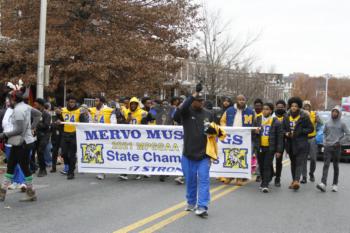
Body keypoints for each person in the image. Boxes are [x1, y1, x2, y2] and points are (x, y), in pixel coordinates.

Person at [173, 82, 225, 217]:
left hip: (204, 155)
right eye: (198, 100)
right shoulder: (185, 112)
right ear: (192, 101)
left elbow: (217, 131)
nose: (201, 102)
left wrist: (214, 130)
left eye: (202, 100)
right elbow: (176, 115)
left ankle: (202, 206)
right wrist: (193, 94)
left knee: (203, 180)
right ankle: (191, 202)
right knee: (190, 180)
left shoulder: (209, 114)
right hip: (188, 154)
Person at [0, 90, 42, 202]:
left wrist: (4, 134)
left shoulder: (18, 110)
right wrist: (32, 127)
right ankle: (3, 192)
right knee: (13, 165)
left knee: (21, 166)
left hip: (22, 142)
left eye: (9, 99)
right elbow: (38, 114)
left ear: (14, 99)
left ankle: (30, 192)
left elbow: (18, 130)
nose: (8, 102)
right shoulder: (26, 106)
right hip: (25, 142)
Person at [220, 94, 255, 185]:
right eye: (239, 100)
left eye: (243, 100)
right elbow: (222, 121)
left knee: (241, 157)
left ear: (245, 101)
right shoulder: (229, 110)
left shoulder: (250, 111)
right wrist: (226, 129)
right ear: (236, 100)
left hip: (244, 139)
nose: (241, 101)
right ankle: (229, 176)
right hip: (231, 138)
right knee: (230, 155)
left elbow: (254, 123)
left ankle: (239, 177)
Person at [282, 97, 313, 191]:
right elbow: (283, 129)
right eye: (292, 106)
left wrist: (301, 131)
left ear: (299, 107)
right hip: (290, 143)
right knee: (293, 163)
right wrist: (286, 133)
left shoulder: (304, 116)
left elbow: (310, 129)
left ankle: (296, 181)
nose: (294, 108)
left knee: (299, 162)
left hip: (301, 143)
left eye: (296, 106)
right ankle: (294, 180)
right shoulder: (286, 116)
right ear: (290, 106)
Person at [317, 106, 350, 192]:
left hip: (337, 147)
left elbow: (348, 134)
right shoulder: (328, 122)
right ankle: (323, 183)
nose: (334, 113)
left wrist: (340, 142)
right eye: (333, 112)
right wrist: (324, 141)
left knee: (336, 166)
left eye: (336, 112)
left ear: (339, 114)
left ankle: (335, 184)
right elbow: (324, 133)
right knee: (326, 164)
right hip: (328, 146)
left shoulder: (342, 123)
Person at [119, 97, 153, 180]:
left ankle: (137, 172)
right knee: (128, 155)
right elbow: (121, 123)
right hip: (128, 137)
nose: (133, 105)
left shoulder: (143, 112)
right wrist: (128, 119)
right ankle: (125, 173)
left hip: (139, 138)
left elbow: (152, 119)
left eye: (135, 104)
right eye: (132, 104)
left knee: (137, 155)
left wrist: (145, 122)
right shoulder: (126, 112)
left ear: (137, 105)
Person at [56, 96, 89, 180]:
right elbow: (59, 120)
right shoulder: (63, 110)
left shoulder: (79, 111)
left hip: (74, 134)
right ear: (68, 102)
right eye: (70, 102)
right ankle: (69, 165)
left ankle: (71, 172)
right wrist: (58, 119)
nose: (72, 104)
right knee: (64, 153)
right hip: (65, 134)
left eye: (73, 102)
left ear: (76, 103)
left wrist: (83, 115)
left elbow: (84, 123)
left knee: (72, 154)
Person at [254, 103, 283, 193]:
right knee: (261, 165)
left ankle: (265, 185)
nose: (264, 110)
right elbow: (252, 133)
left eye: (267, 109)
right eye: (264, 109)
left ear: (271, 111)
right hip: (260, 146)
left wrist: (279, 150)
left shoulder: (276, 121)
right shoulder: (258, 119)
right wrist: (255, 132)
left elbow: (279, 137)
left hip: (270, 147)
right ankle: (265, 179)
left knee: (266, 165)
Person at [0, 96, 26, 191]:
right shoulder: (5, 111)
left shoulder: (21, 110)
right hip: (8, 141)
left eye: (10, 101)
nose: (8, 103)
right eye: (7, 101)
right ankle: (15, 181)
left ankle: (22, 182)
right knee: (11, 164)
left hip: (19, 141)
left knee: (20, 162)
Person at [89, 96, 117, 180]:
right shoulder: (92, 110)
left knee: (105, 153)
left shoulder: (109, 110)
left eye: (97, 100)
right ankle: (101, 171)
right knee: (98, 153)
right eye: (95, 100)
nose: (95, 102)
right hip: (96, 135)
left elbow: (114, 123)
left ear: (101, 102)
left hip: (106, 135)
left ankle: (108, 169)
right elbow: (89, 122)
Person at [301, 101, 322, 183]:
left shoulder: (314, 114)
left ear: (310, 107)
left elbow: (321, 125)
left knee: (313, 158)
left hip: (312, 138)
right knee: (304, 159)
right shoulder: (301, 115)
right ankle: (304, 176)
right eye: (305, 106)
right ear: (303, 107)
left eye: (308, 106)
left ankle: (311, 173)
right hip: (303, 138)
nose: (307, 107)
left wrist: (319, 134)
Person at [34, 98, 52, 177]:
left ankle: (43, 169)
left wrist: (37, 124)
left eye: (36, 104)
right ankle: (34, 167)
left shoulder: (46, 114)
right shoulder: (35, 113)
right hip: (36, 135)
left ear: (40, 105)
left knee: (41, 151)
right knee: (37, 152)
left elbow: (46, 125)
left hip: (45, 135)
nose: (35, 105)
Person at [273, 99, 287, 187]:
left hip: (281, 141)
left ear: (284, 108)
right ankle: (270, 172)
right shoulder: (272, 116)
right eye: (278, 107)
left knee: (278, 161)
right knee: (267, 160)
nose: (280, 108)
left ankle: (277, 178)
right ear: (275, 107)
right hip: (271, 140)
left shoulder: (287, 116)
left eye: (282, 107)